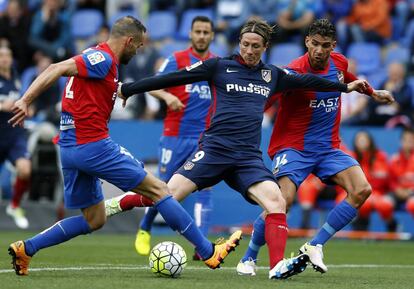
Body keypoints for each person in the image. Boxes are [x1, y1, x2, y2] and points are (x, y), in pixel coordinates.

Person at [107, 17, 370, 279]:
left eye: (256, 46)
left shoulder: (273, 75)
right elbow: (173, 77)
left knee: (277, 201)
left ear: (265, 47)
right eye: (245, 44)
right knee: (167, 194)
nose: (249, 51)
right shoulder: (219, 67)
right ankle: (121, 203)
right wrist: (129, 89)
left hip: (247, 158)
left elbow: (309, 81)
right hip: (214, 151)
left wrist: (345, 87)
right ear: (240, 43)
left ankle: (276, 265)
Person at [7, 16, 242, 277]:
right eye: (139, 45)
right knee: (159, 189)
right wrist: (25, 100)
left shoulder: (98, 57)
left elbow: (91, 84)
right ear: (129, 41)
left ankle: (26, 248)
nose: (139, 49)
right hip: (93, 146)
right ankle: (209, 252)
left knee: (94, 219)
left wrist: (113, 93)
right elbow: (55, 68)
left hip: (70, 148)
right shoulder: (104, 58)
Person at [235, 19, 394, 276]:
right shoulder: (292, 72)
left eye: (325, 45)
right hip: (293, 148)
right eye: (315, 44)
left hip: (328, 148)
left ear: (333, 46)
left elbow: (348, 78)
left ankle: (315, 244)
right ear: (307, 41)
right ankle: (249, 257)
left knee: (362, 189)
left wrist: (373, 93)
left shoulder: (339, 62)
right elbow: (265, 101)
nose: (319, 50)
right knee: (281, 202)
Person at [131, 16, 216, 258]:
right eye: (197, 31)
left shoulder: (216, 64)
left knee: (205, 188)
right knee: (163, 188)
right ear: (190, 34)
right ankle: (145, 227)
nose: (201, 36)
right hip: (175, 136)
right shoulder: (177, 59)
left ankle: (202, 246)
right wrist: (167, 97)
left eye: (205, 32)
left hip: (205, 139)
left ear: (211, 36)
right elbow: (154, 84)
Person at [0, 46, 31, 229]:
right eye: (1, 55)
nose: (5, 59)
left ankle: (14, 206)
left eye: (7, 55)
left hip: (14, 135)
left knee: (25, 169)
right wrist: (2, 105)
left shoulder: (17, 77)